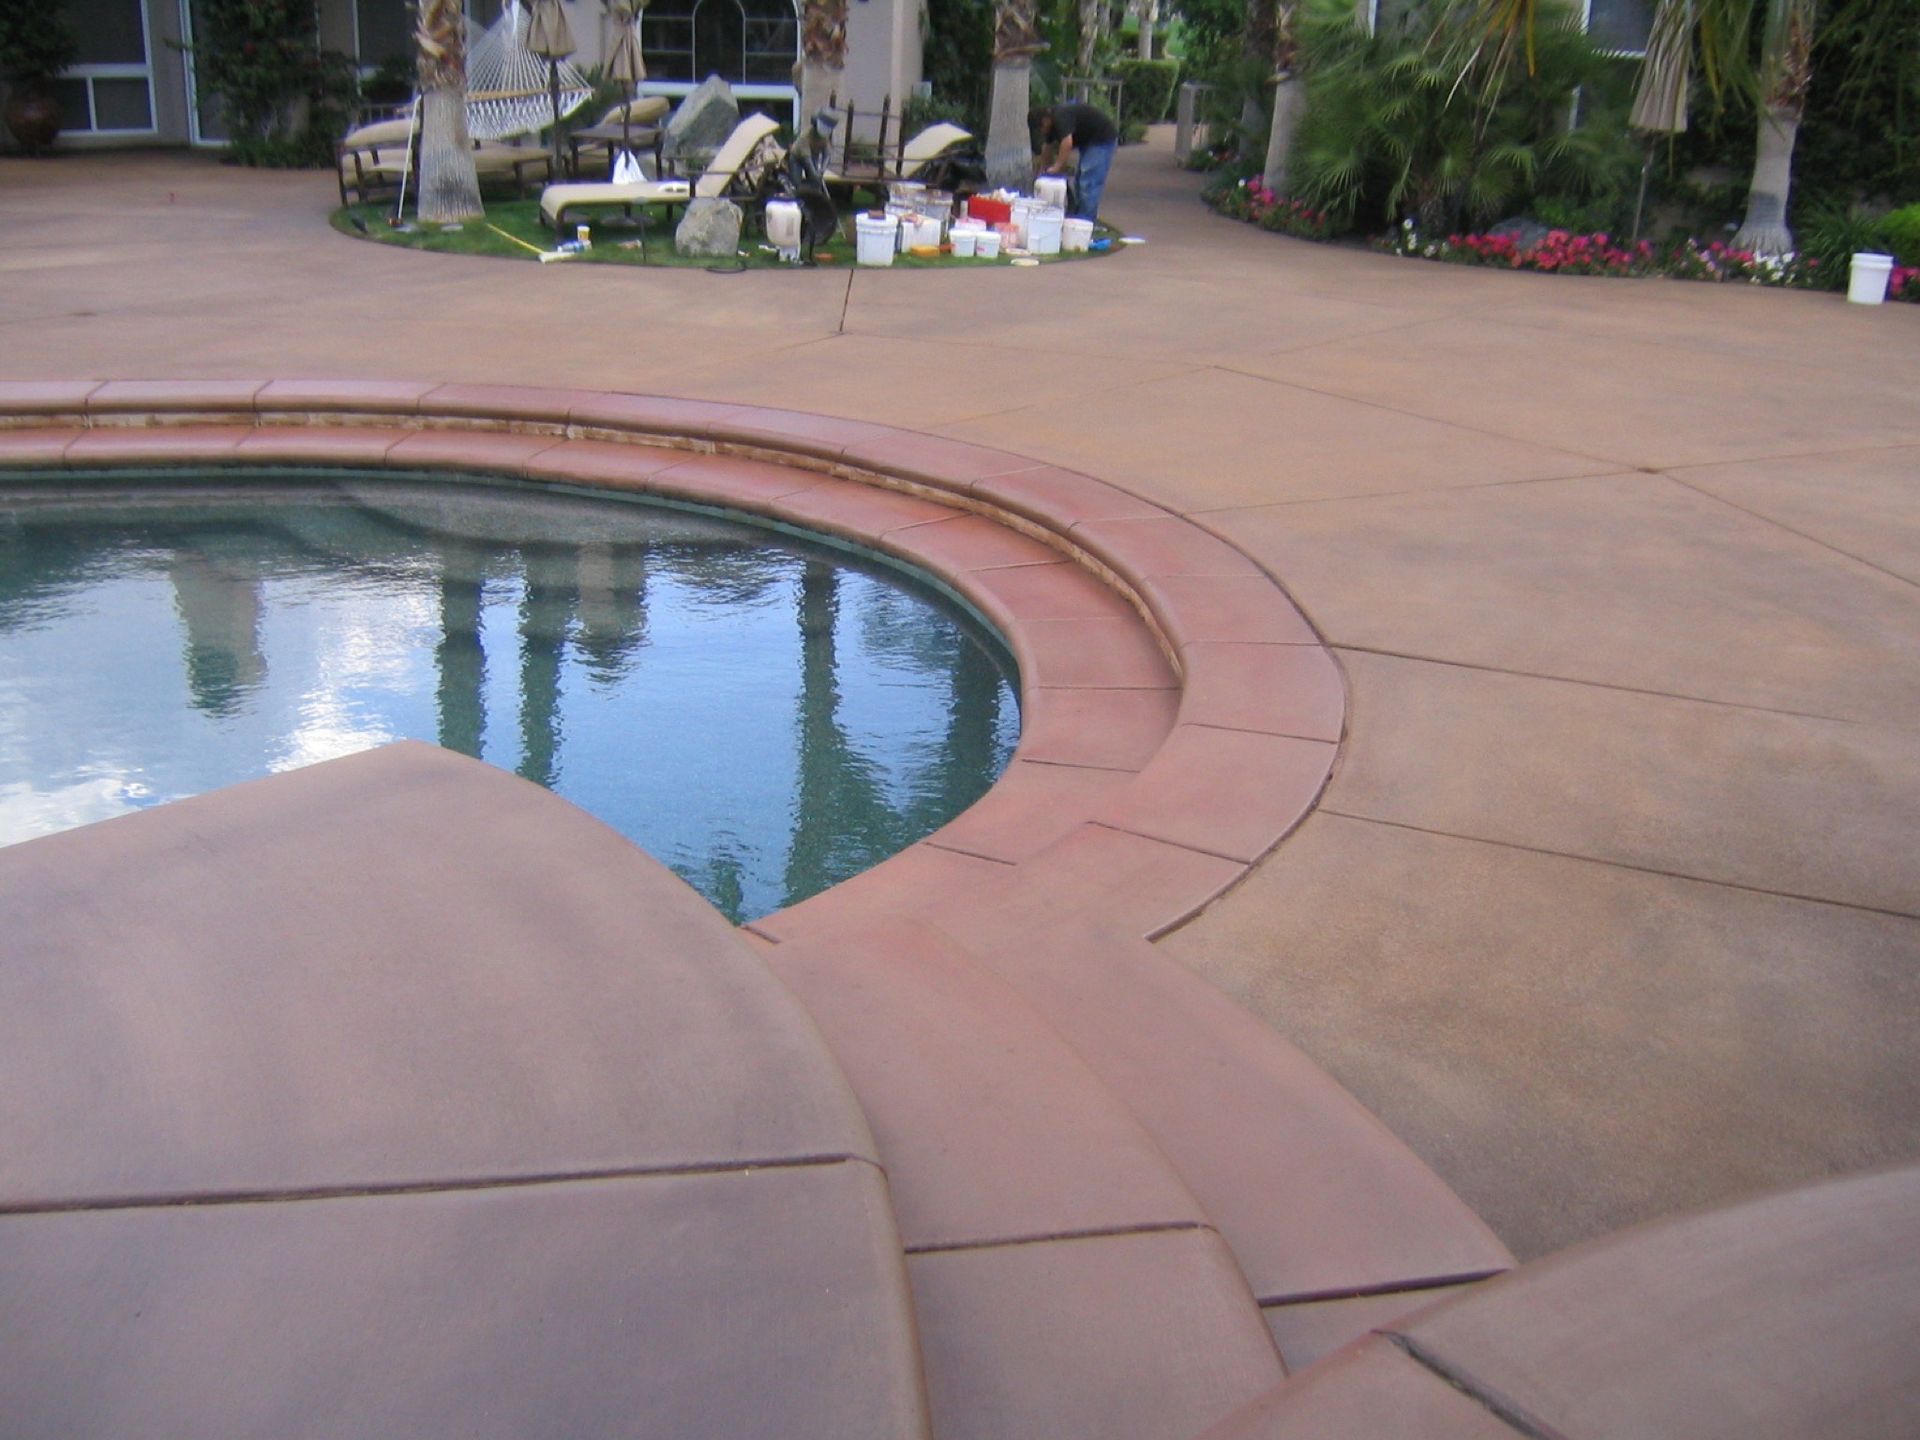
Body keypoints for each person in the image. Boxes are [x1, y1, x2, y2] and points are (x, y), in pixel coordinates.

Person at [1029, 102, 1118, 225]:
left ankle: (1086, 224)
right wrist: (1044, 170)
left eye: (1041, 127)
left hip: (1101, 139)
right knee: (1079, 182)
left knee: (1088, 183)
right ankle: (1078, 218)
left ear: (1045, 120)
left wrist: (1057, 166)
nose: (1042, 131)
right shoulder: (1051, 124)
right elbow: (1047, 147)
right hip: (1089, 141)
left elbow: (1067, 143)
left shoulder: (1060, 117)